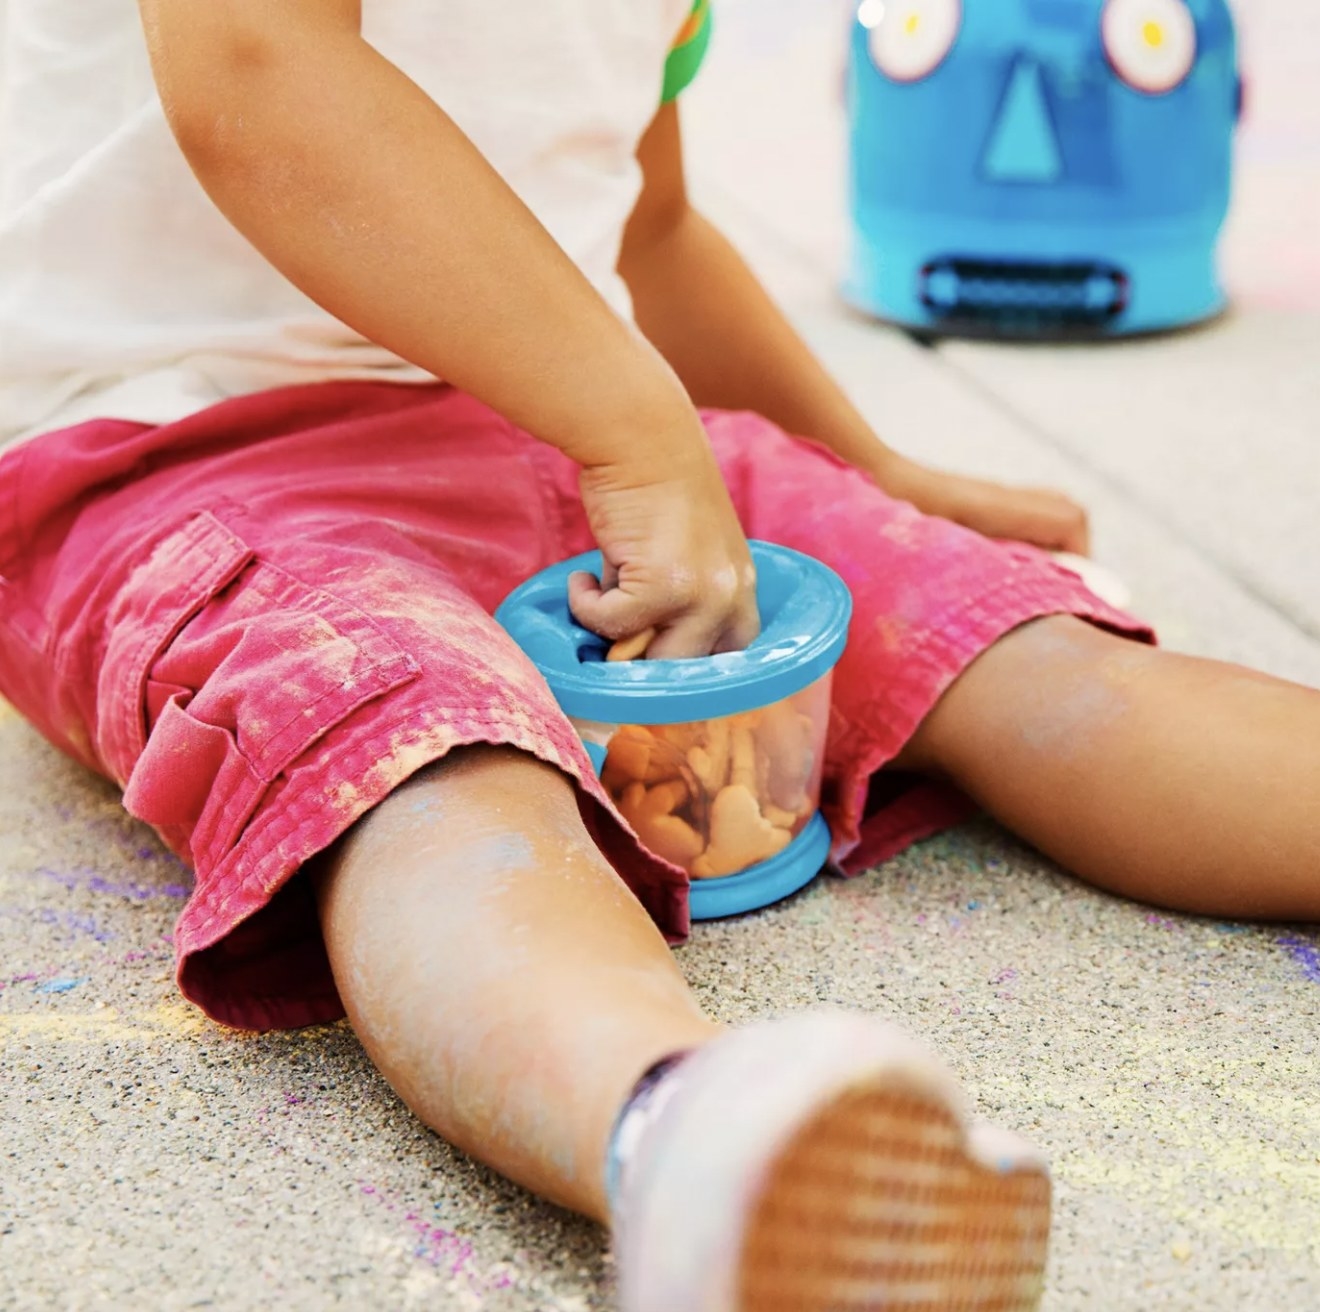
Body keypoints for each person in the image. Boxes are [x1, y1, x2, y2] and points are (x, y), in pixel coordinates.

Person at [1, 2, 1316, 1308]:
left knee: (1035, 660)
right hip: (193, 460)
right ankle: (692, 1140)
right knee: (431, 780)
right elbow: (255, 66)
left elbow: (646, 224)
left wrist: (870, 474)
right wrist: (635, 436)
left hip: (582, 425)